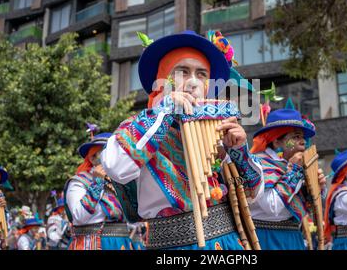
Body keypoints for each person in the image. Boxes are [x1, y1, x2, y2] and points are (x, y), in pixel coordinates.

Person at [101, 30, 264, 250]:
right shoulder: (139, 125)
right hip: (172, 248)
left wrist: (238, 152)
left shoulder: (217, 129)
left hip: (227, 244)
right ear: (164, 80)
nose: (193, 82)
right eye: (182, 71)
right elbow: (116, 167)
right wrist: (164, 111)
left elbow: (253, 197)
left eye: (202, 74)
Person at [248, 104, 326, 249]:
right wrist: (294, 171)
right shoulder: (259, 163)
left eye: (302, 137)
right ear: (277, 141)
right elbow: (272, 206)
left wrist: (317, 189)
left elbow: (313, 213)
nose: (303, 141)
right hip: (265, 238)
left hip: (293, 237)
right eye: (296, 137)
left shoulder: (294, 165)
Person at [64, 133, 139, 250]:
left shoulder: (120, 182)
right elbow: (78, 217)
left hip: (121, 243)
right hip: (93, 243)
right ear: (92, 158)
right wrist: (98, 182)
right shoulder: (79, 182)